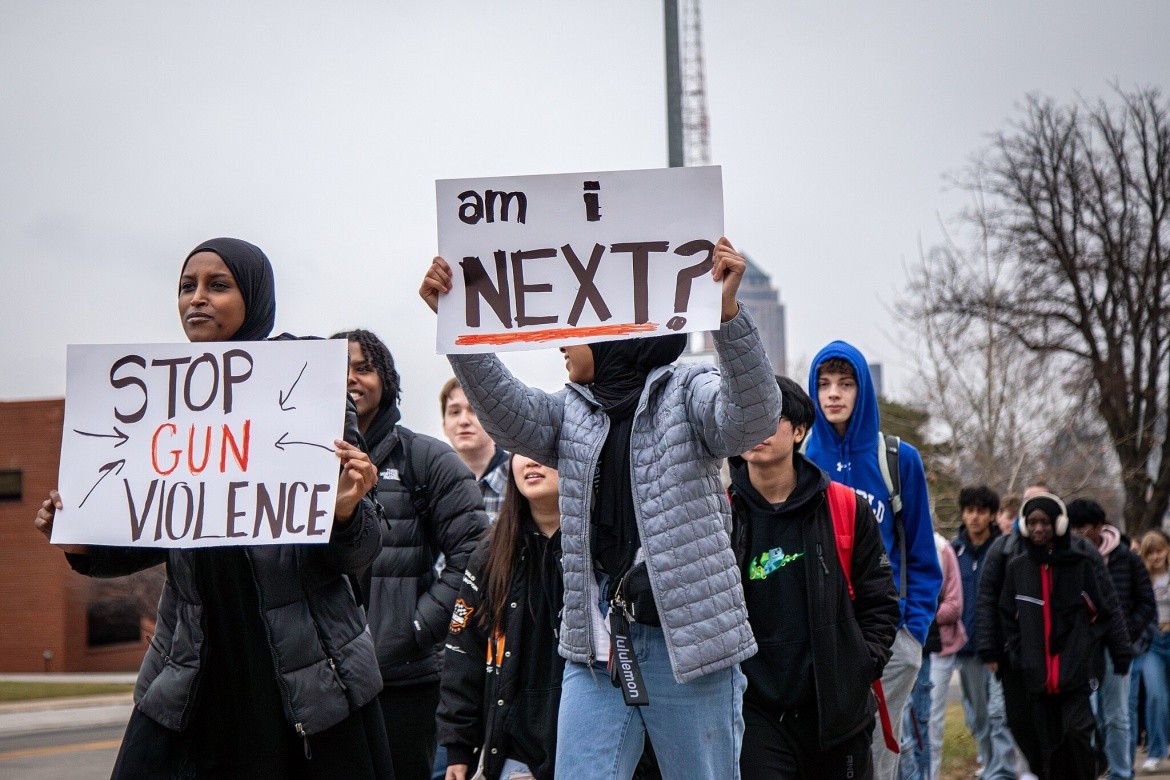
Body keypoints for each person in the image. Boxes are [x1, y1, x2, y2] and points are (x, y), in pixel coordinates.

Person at [419, 237, 782, 780]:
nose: (561, 343)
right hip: (595, 651)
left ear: (615, 334)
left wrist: (728, 315)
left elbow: (751, 421)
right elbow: (508, 417)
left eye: (574, 331)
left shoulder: (689, 388)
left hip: (690, 650)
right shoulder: (572, 410)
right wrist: (462, 337)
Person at [34, 237, 393, 778]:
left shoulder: (305, 390)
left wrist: (345, 512)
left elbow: (362, 549)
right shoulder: (160, 401)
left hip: (304, 675)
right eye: (186, 286)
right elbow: (156, 529)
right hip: (194, 666)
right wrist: (85, 541)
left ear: (255, 298)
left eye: (217, 285)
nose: (196, 299)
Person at [332, 328, 489, 780]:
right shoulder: (291, 459)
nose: (351, 379)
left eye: (364, 368)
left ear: (387, 379)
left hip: (402, 680)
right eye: (339, 368)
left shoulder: (428, 459)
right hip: (321, 682)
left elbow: (475, 554)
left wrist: (417, 626)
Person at [729, 375, 900, 779]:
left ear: (800, 430)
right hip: (753, 713)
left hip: (836, 713)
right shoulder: (722, 514)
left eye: (769, 418)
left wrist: (860, 665)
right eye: (746, 419)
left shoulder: (845, 508)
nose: (756, 430)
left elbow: (880, 603)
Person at [803, 342, 944, 779]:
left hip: (888, 636)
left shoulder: (899, 460)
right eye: (824, 384)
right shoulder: (802, 459)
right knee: (822, 751)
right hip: (820, 636)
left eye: (846, 384)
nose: (833, 394)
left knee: (879, 755)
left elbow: (922, 555)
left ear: (862, 390)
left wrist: (912, 635)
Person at [437, 455, 563, 780]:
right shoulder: (490, 554)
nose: (532, 459)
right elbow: (463, 651)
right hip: (515, 752)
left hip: (590, 746)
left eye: (543, 447)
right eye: (521, 448)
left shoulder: (604, 546)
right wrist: (459, 748)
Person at [999, 492, 1132, 779]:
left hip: (1075, 677)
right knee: (1046, 748)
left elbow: (1101, 613)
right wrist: (1018, 652)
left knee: (1077, 735)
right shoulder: (1017, 569)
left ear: (1058, 525)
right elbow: (1007, 617)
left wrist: (1085, 647)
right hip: (1035, 679)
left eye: (1044, 522)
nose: (1037, 529)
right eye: (1032, 522)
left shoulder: (1080, 565)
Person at [1068, 498, 1156, 779]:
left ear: (1099, 527)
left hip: (1117, 645)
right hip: (1083, 647)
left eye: (1083, 528)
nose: (1078, 534)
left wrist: (1127, 631)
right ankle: (1094, 767)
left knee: (1117, 715)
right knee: (1088, 714)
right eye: (1073, 528)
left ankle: (1120, 771)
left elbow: (1146, 602)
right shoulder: (1069, 558)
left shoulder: (1126, 557)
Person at [946, 485, 1017, 780]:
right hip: (965, 648)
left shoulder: (1005, 550)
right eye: (970, 510)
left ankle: (1003, 770)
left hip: (1000, 647)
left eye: (982, 511)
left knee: (1000, 712)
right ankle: (990, 765)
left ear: (991, 515)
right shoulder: (952, 551)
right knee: (977, 716)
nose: (975, 517)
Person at [902, 531, 964, 780]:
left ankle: (928, 774)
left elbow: (952, 601)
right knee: (902, 730)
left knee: (922, 724)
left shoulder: (938, 547)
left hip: (925, 645)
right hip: (893, 644)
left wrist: (918, 619)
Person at [440, 377, 510, 522]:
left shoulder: (519, 478)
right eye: (454, 412)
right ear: (444, 426)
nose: (464, 421)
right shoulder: (434, 481)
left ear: (494, 420)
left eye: (474, 410)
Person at [1134, 529, 1170, 773]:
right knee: (1156, 695)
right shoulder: (1142, 579)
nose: (1156, 556)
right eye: (1151, 552)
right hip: (1152, 643)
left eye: (1160, 550)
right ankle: (1157, 751)